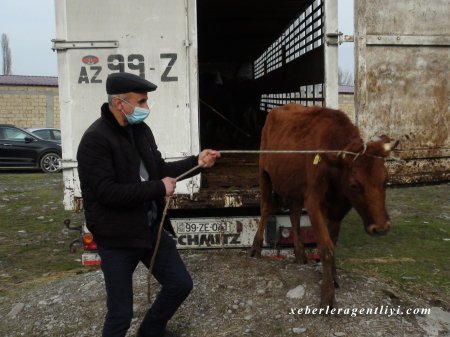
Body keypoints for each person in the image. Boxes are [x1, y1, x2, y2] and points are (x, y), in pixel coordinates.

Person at [76, 72, 220, 337]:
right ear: (120, 103)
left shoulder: (140, 131)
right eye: (141, 102)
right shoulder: (95, 139)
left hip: (149, 229)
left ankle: (151, 331)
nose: (146, 108)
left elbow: (159, 169)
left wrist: (197, 162)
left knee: (180, 284)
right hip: (117, 238)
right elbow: (107, 193)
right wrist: (157, 187)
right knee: (120, 314)